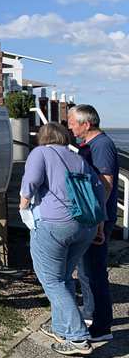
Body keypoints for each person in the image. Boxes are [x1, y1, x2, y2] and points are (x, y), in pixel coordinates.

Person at [20, 122, 104, 356]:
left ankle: (77, 338)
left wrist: (23, 208)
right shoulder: (78, 158)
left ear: (43, 138)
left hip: (54, 225)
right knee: (64, 277)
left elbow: (30, 184)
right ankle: (62, 329)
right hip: (85, 225)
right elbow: (98, 191)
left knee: (52, 280)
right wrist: (100, 227)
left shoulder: (41, 153)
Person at [68, 104, 118, 342]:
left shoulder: (102, 146)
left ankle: (102, 327)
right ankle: (91, 315)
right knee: (86, 271)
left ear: (86, 124)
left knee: (95, 272)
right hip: (91, 217)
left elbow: (105, 183)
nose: (69, 127)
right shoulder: (87, 146)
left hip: (98, 218)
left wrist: (99, 220)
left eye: (73, 122)